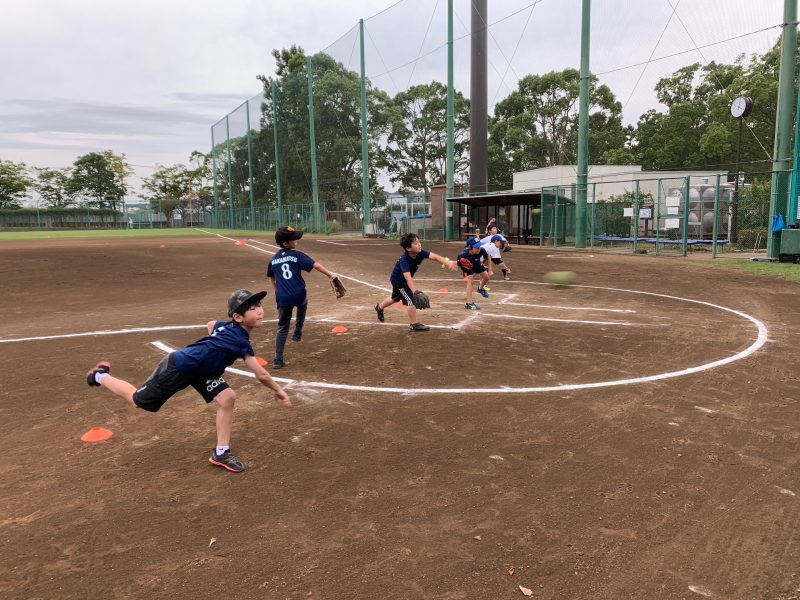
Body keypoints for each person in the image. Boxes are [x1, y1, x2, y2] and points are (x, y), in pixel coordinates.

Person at [85, 289, 291, 473]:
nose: (260, 311)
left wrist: (211, 349)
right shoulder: (239, 340)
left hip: (201, 370)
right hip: (179, 367)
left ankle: (221, 452)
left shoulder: (227, 327)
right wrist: (278, 390)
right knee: (138, 400)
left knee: (227, 398)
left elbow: (212, 324)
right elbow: (261, 374)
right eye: (253, 308)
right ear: (237, 317)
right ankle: (100, 375)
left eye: (259, 306)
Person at [267, 226, 336, 369]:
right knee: (303, 304)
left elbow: (272, 278)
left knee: (283, 326)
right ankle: (298, 330)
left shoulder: (273, 259)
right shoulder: (296, 255)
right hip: (298, 294)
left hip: (282, 297)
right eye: (294, 239)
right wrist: (330, 274)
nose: (296, 240)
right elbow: (315, 265)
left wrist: (277, 290)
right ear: (286, 243)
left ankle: (278, 359)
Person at [374, 232, 456, 331]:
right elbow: (408, 278)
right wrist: (415, 291)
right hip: (399, 281)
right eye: (416, 243)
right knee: (410, 299)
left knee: (395, 298)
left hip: (401, 279)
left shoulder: (420, 253)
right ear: (408, 248)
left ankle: (379, 307)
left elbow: (435, 257)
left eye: (419, 242)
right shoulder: (404, 260)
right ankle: (414, 324)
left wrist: (447, 263)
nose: (419, 244)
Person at [456, 236, 491, 310]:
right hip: (467, 268)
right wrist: (467, 269)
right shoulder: (463, 255)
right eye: (476, 247)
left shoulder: (481, 250)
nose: (479, 248)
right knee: (470, 282)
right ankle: (469, 303)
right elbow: (458, 264)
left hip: (477, 264)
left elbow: (488, 256)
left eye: (479, 246)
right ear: (470, 247)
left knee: (487, 277)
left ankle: (480, 289)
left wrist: (489, 269)